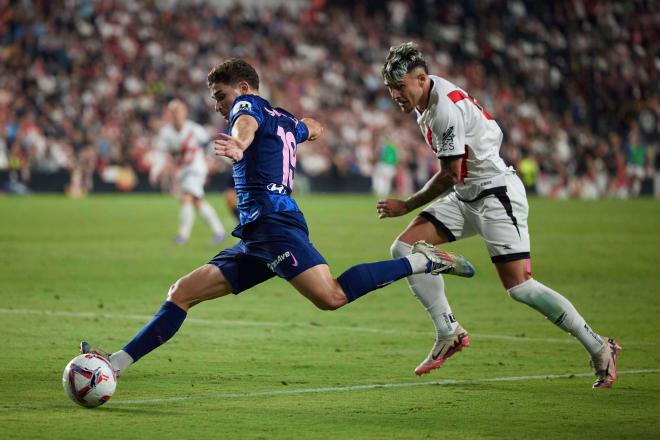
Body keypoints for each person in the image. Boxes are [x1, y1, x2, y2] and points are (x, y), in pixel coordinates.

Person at [81, 58, 476, 379]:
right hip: (258, 234)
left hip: (273, 224)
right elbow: (313, 127)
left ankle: (425, 261)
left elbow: (245, 124)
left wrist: (239, 142)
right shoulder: (283, 118)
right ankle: (114, 365)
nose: (219, 105)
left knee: (332, 296)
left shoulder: (247, 108)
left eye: (221, 96)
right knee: (181, 292)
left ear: (244, 89)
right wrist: (307, 129)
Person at [377, 42, 620, 388]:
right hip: (467, 194)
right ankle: (449, 332)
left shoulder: (443, 108)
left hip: (494, 194)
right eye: (390, 88)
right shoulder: (425, 99)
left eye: (399, 87)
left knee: (520, 287)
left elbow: (449, 174)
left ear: (421, 78)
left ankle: (600, 347)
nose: (395, 95)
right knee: (403, 248)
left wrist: (406, 204)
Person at [151, 99, 228, 245]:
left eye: (178, 111)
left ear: (185, 112)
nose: (176, 114)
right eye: (173, 112)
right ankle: (219, 232)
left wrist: (223, 159)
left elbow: (209, 146)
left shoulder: (195, 129)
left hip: (196, 168)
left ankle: (182, 236)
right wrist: (155, 170)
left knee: (187, 198)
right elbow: (160, 153)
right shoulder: (166, 133)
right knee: (197, 202)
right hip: (183, 171)